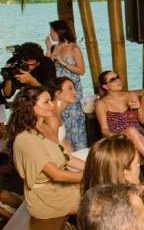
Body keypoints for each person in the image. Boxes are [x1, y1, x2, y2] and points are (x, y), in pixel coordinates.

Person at [7, 86, 82, 219]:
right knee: (101, 203)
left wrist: (94, 165)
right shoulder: (26, 139)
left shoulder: (45, 127)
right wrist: (92, 173)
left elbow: (66, 158)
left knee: (105, 188)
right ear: (30, 106)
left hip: (59, 188)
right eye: (46, 102)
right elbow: (56, 175)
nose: (52, 105)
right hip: (45, 198)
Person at [95, 71, 144, 179]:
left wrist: (138, 107)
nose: (118, 80)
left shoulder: (131, 95)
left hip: (139, 136)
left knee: (132, 133)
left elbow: (142, 120)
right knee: (131, 132)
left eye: (117, 77)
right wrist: (118, 137)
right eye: (113, 80)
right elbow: (104, 130)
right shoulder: (101, 103)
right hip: (118, 138)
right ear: (105, 86)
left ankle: (134, 184)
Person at [49, 20, 87, 151]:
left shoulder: (73, 48)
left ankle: (81, 154)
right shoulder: (55, 47)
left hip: (72, 89)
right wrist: (49, 48)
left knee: (75, 123)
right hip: (58, 91)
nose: (50, 34)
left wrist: (64, 63)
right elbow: (48, 67)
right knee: (62, 122)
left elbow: (82, 70)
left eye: (52, 31)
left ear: (59, 31)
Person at [43, 77, 88, 169]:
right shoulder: (51, 117)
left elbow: (63, 143)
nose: (75, 92)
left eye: (74, 89)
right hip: (62, 162)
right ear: (57, 93)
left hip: (69, 158)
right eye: (70, 89)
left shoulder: (58, 114)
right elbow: (54, 151)